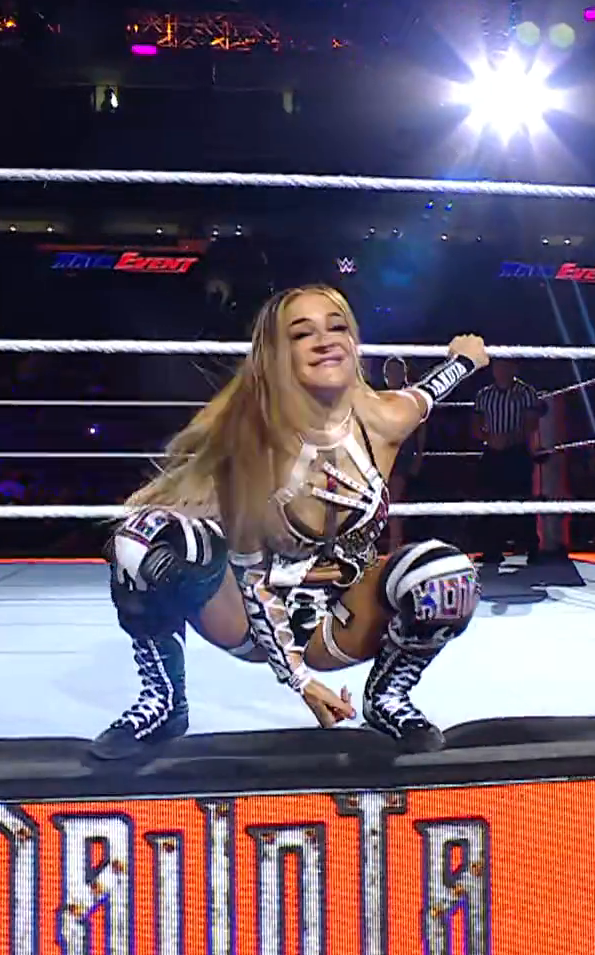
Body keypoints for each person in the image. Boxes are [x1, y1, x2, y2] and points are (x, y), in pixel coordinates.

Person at [93, 285, 486, 760]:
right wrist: (301, 682)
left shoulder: (383, 418)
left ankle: (387, 696)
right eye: (302, 334)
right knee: (141, 539)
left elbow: (429, 391)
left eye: (337, 327)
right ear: (277, 355)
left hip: (339, 621)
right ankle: (163, 700)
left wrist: (466, 359)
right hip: (248, 622)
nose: (325, 341)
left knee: (446, 576)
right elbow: (254, 583)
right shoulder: (252, 447)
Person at [470, 358, 544, 566]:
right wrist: (489, 438)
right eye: (498, 366)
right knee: (490, 499)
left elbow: (531, 424)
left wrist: (509, 438)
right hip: (492, 452)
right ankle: (492, 549)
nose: (501, 370)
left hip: (517, 451)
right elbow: (475, 425)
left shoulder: (526, 393)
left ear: (514, 368)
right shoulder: (484, 395)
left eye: (505, 366)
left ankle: (531, 547)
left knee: (522, 499)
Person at [379, 356, 426, 553]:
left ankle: (394, 549)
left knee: (394, 503)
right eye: (389, 373)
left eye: (395, 372)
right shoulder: (381, 396)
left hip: (403, 454)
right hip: (383, 454)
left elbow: (421, 428)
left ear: (403, 373)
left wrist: (419, 456)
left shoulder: (411, 396)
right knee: (381, 503)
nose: (392, 376)